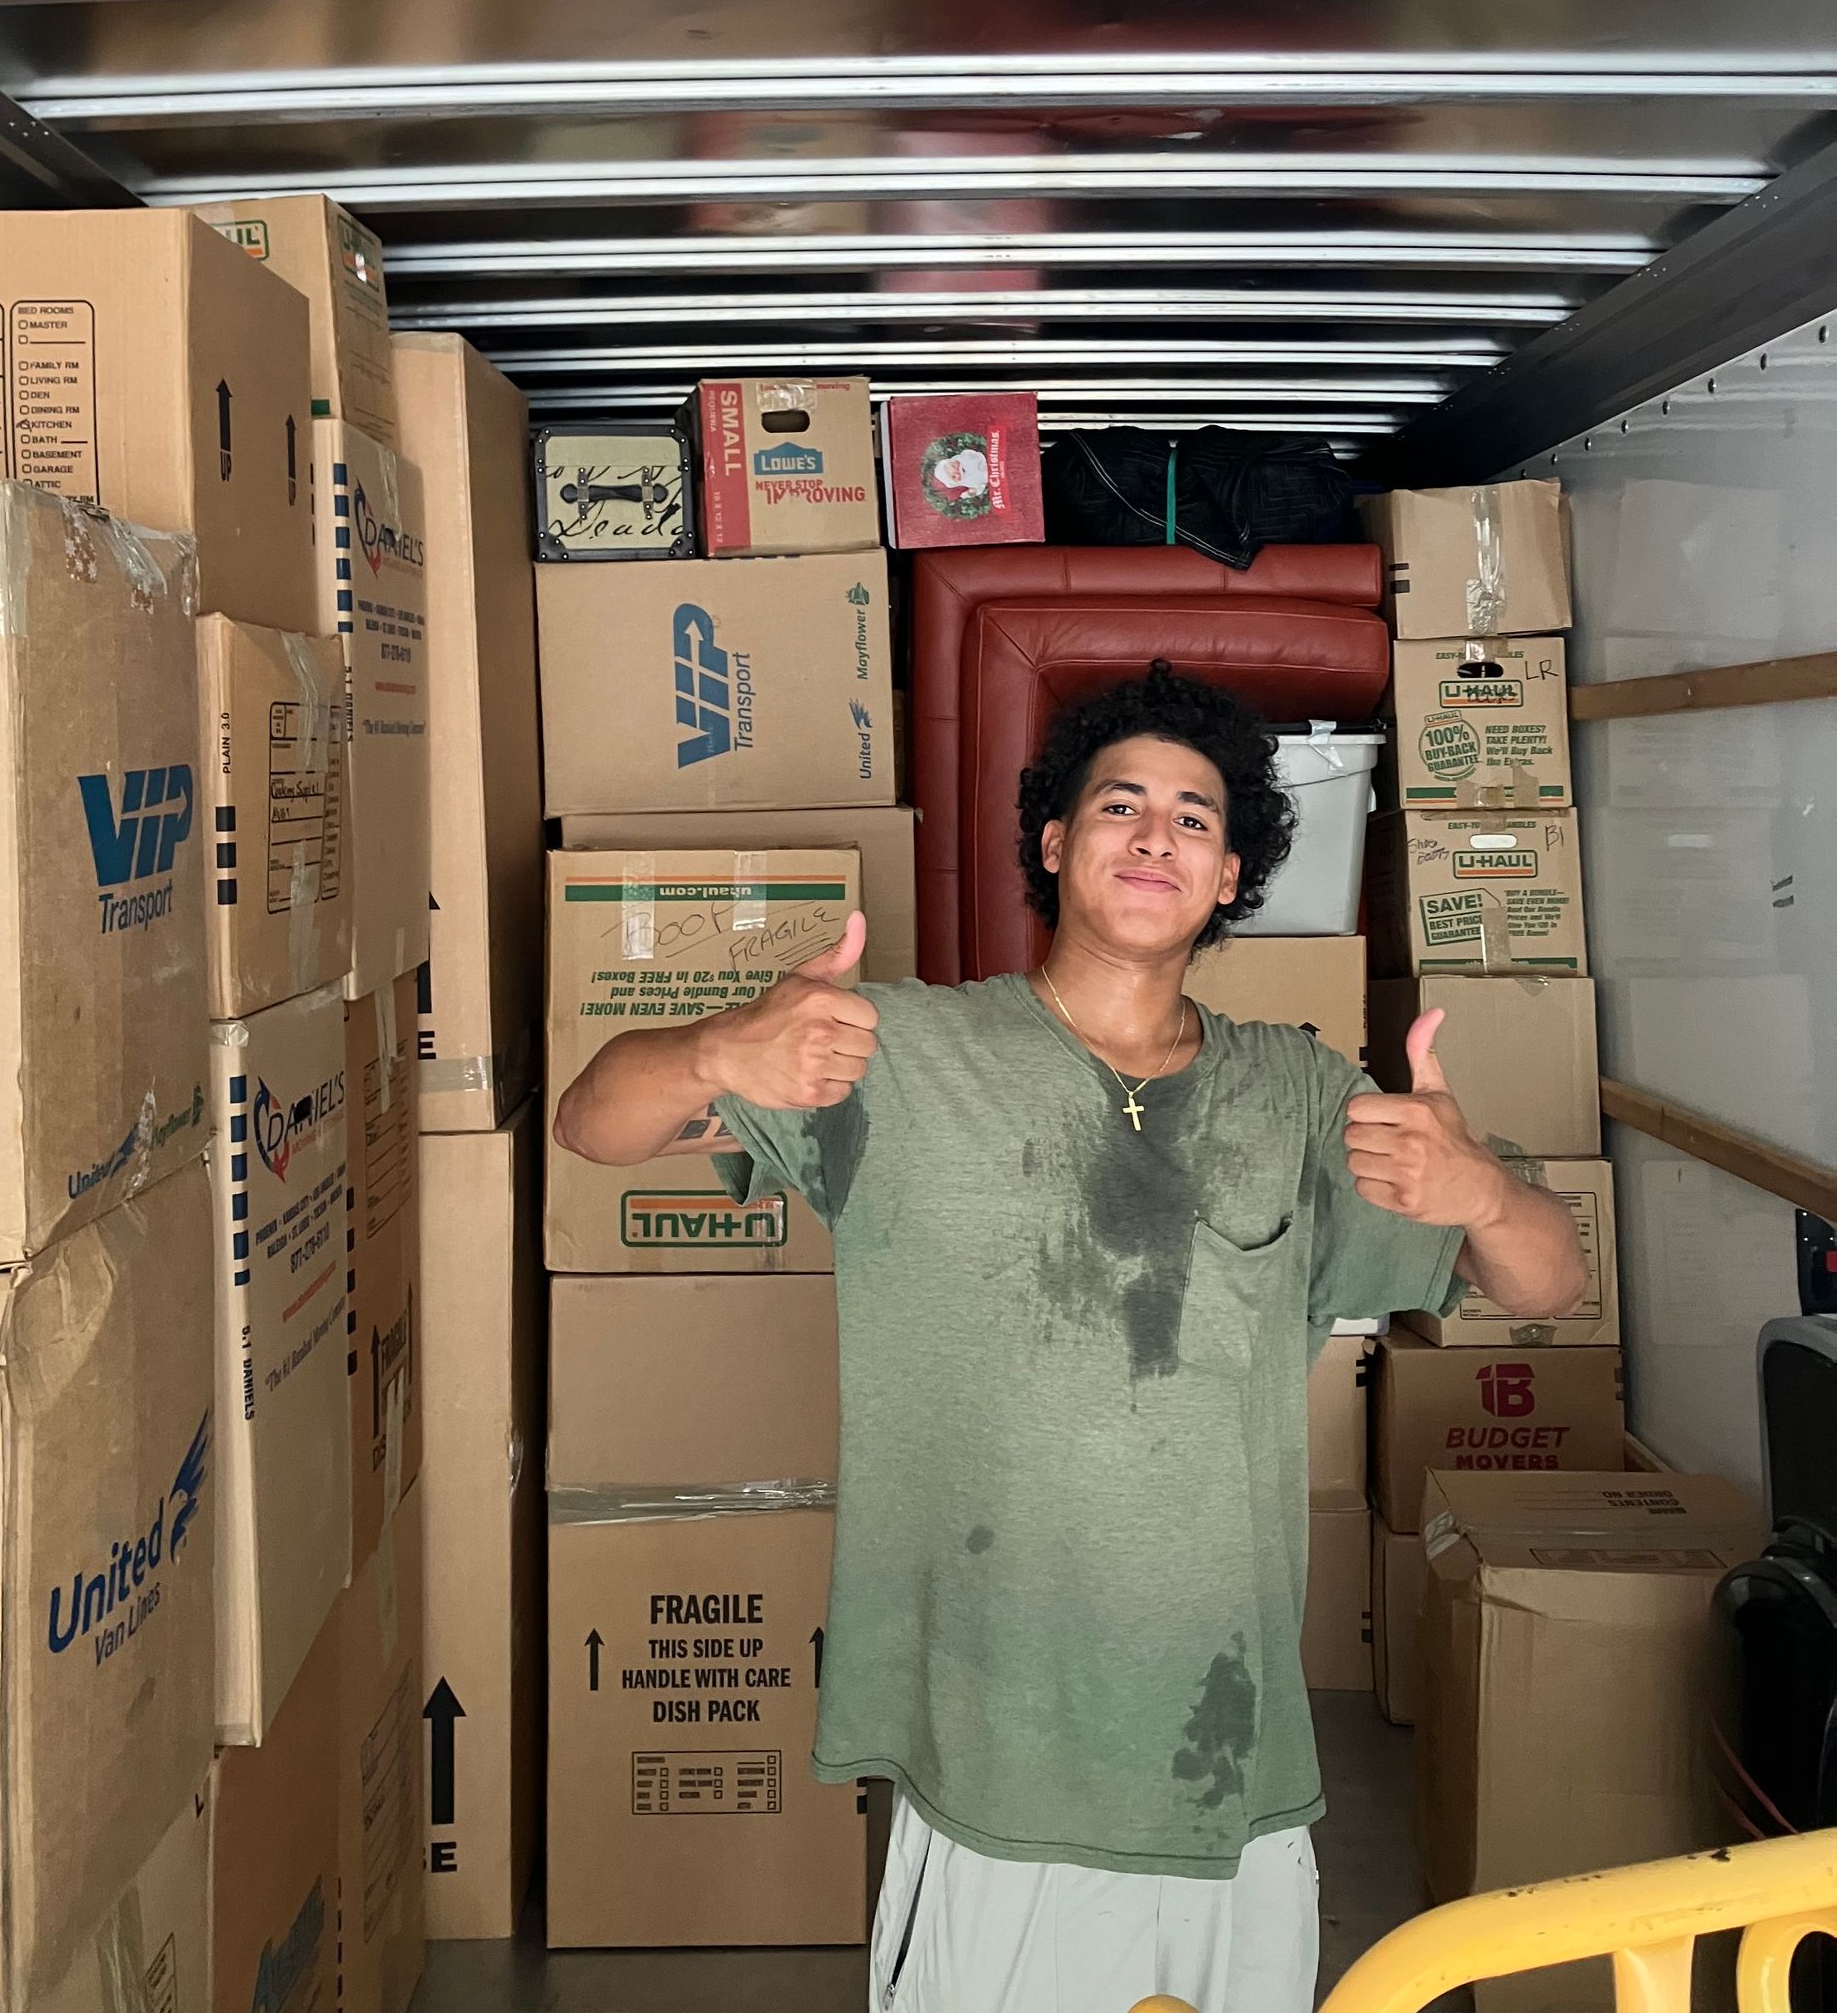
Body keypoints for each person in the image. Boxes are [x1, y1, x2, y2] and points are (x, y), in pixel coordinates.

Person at [556, 662, 1584, 2013]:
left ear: (1230, 878)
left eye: (1195, 819)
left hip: (1225, 1754)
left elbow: (1550, 1284)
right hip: (990, 1757)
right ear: (1053, 843)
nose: (1156, 836)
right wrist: (714, 1050)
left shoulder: (1301, 1091)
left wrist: (1486, 1193)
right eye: (1119, 805)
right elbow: (591, 1124)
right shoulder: (894, 1054)